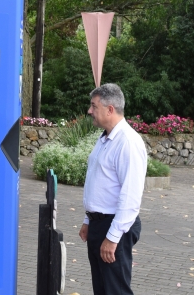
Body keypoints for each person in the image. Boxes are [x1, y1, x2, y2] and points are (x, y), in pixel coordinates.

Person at [79, 83, 148, 295]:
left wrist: (112, 237)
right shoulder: (105, 138)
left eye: (94, 106)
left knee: (115, 291)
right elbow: (99, 182)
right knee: (102, 289)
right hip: (99, 224)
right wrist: (88, 220)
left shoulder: (127, 142)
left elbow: (130, 197)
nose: (90, 110)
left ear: (110, 109)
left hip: (114, 226)